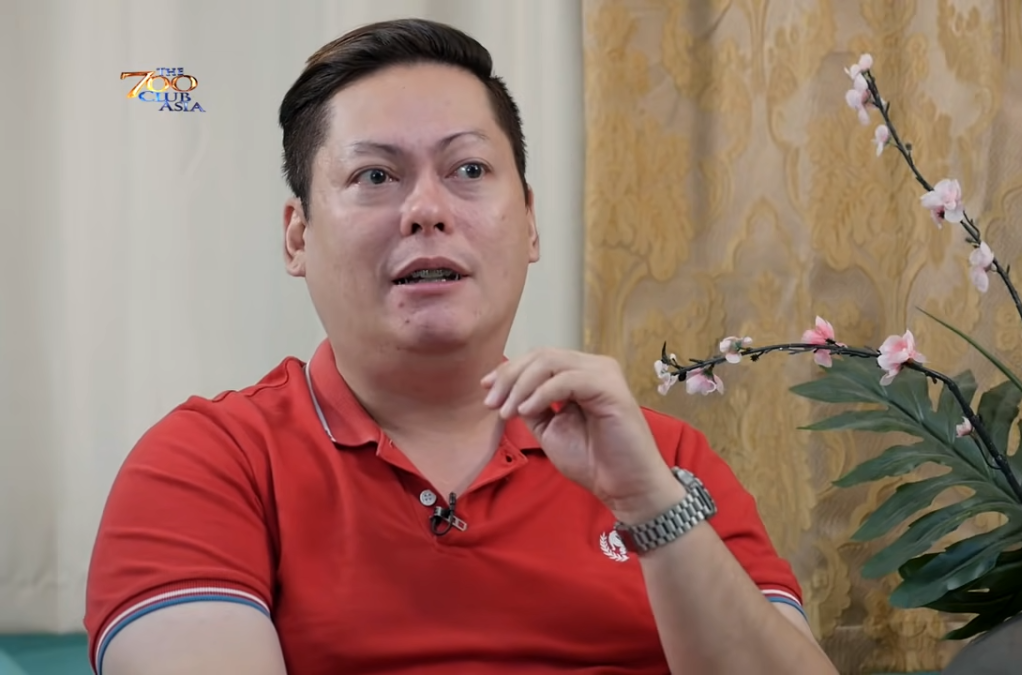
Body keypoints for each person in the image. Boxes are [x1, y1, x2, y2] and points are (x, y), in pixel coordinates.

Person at [83, 17, 839, 675]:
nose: (426, 210)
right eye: (375, 175)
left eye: (469, 169)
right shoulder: (208, 465)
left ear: (531, 222)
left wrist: (648, 503)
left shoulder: (664, 457)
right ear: (297, 237)